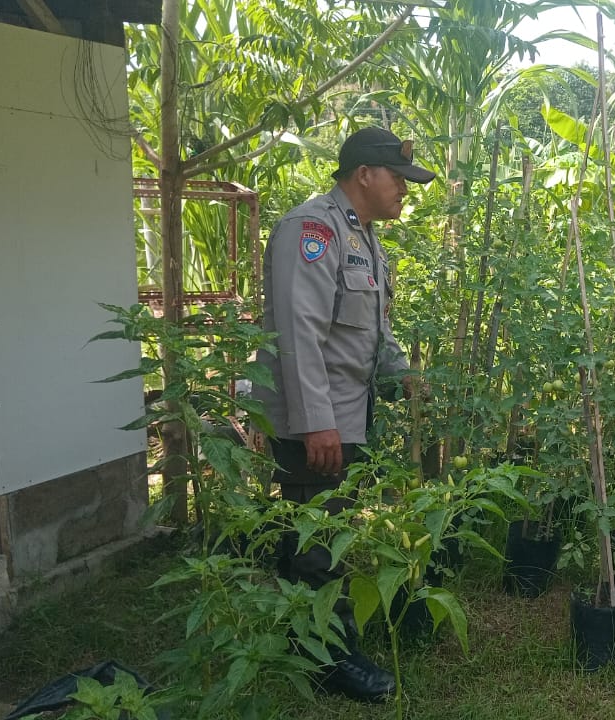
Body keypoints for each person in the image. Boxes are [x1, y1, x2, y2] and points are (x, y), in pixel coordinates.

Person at [254, 126, 435, 702]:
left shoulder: (363, 237)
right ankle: (333, 660)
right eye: (399, 179)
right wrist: (317, 422)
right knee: (319, 543)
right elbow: (298, 333)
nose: (405, 190)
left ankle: (301, 638)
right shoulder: (310, 230)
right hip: (317, 422)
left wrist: (402, 372)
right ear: (364, 175)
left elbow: (366, 330)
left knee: (322, 532)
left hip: (345, 417)